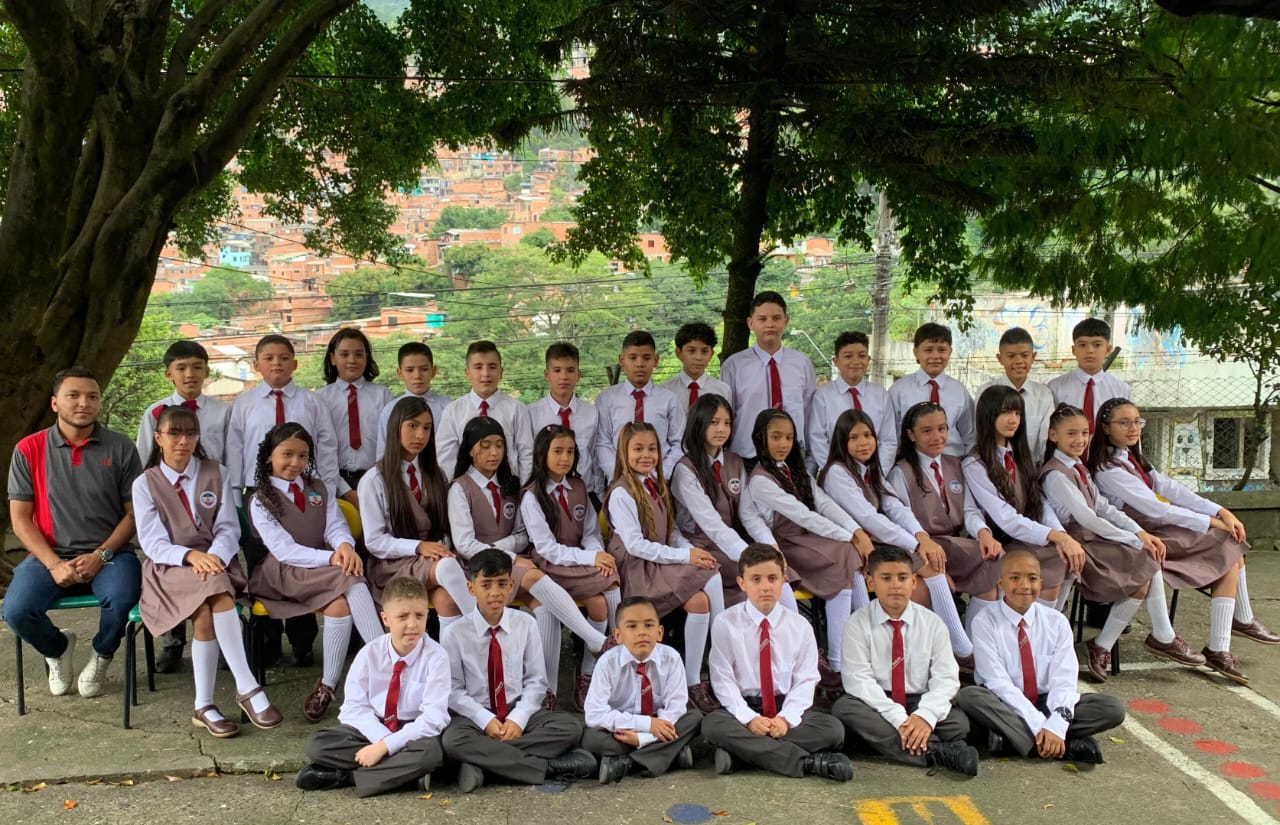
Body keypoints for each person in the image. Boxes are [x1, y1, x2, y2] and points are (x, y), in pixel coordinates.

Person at [1091, 398, 1278, 681]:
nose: (1133, 428)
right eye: (1124, 422)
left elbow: (1173, 490)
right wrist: (1212, 521)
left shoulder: (1133, 458)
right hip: (1135, 533)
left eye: (1137, 421)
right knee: (1226, 542)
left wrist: (1220, 510)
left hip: (1157, 528)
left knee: (1229, 544)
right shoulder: (1108, 470)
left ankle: (1224, 641)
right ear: (1106, 428)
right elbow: (1157, 508)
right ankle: (1228, 632)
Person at [134, 405, 282, 737]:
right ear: (158, 438)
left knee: (205, 611)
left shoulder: (216, 472)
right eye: (174, 433)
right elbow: (153, 543)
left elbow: (229, 527)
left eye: (190, 433)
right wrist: (191, 556)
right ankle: (247, 686)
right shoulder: (145, 483)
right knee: (215, 587)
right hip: (170, 567)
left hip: (216, 560)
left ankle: (204, 705)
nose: (182, 441)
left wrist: (213, 556)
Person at [449, 416, 609, 706]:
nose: (494, 452)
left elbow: (522, 534)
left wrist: (505, 550)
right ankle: (596, 641)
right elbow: (465, 544)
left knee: (546, 610)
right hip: (478, 567)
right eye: (485, 446)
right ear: (471, 450)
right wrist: (506, 555)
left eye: (499, 445)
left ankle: (548, 691)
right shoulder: (460, 488)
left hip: (514, 560)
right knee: (534, 575)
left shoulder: (510, 485)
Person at [5, 366, 143, 699]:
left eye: (92, 396)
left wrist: (101, 555)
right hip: (50, 555)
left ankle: (102, 653)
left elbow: (134, 513)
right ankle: (57, 648)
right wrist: (53, 564)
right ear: (55, 403)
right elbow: (20, 519)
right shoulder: (29, 449)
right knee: (16, 611)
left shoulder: (121, 447)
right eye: (74, 395)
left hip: (110, 554)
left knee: (122, 599)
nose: (84, 403)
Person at [1039, 404, 1199, 682]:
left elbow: (1103, 507)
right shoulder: (1056, 475)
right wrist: (1131, 539)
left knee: (1146, 561)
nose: (1080, 439)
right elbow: (1088, 518)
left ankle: (1103, 645)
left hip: (1094, 539)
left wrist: (1139, 533)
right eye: (1071, 433)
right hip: (1076, 544)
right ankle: (1150, 637)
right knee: (1145, 560)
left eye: (1084, 433)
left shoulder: (1078, 467)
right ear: (1053, 435)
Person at [822, 408, 987, 665]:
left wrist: (921, 536)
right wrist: (916, 544)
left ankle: (955, 647)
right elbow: (869, 518)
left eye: (868, 435)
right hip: (855, 548)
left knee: (932, 567)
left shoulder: (870, 470)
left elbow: (895, 507)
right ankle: (960, 648)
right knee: (925, 572)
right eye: (854, 437)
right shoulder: (837, 473)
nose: (863, 443)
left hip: (880, 540)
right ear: (841, 442)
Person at [246, 423, 386, 721]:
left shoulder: (318, 488)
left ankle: (327, 686)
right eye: (287, 454)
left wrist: (345, 545)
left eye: (302, 455)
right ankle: (385, 665)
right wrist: (333, 558)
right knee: (351, 576)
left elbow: (335, 525)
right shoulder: (261, 499)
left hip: (322, 569)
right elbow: (284, 550)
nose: (295, 462)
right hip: (283, 572)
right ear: (269, 455)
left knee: (340, 606)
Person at [441, 549, 598, 793]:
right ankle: (550, 768)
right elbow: (453, 690)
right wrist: (485, 720)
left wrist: (519, 718)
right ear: (471, 588)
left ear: (511, 585)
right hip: (475, 717)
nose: (495, 592)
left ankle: (482, 764)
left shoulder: (526, 624)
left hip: (516, 708)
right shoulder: (455, 633)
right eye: (486, 585)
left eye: (502, 584)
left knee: (570, 727)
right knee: (452, 741)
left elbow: (536, 681)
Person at [227, 334, 340, 666]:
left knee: (304, 564)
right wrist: (236, 495)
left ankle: (303, 642)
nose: (276, 363)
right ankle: (268, 642)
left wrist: (326, 488)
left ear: (295, 363)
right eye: (269, 358)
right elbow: (234, 449)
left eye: (283, 357)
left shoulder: (311, 402)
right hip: (259, 493)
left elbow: (326, 445)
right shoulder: (244, 404)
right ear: (256, 365)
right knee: (264, 567)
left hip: (303, 491)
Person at [956, 550, 1126, 764]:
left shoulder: (1056, 622)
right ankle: (1064, 745)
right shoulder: (985, 621)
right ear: (1001, 583)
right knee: (970, 696)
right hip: (1004, 703)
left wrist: (1057, 724)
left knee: (1112, 708)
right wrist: (1039, 725)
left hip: (1046, 700)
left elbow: (1064, 681)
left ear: (1040, 582)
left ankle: (1013, 741)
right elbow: (997, 682)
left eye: (1032, 578)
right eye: (1014, 578)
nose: (1025, 586)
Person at [701, 545, 852, 781]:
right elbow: (723, 680)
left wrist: (785, 719)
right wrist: (749, 719)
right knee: (712, 725)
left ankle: (742, 754)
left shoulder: (799, 626)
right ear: (742, 583)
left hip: (785, 708)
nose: (765, 587)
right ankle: (807, 763)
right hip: (744, 709)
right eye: (756, 579)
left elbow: (806, 680)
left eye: (772, 579)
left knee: (833, 729)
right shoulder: (725, 623)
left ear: (783, 580)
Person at [605, 421, 724, 713]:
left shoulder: (657, 485)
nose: (646, 455)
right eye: (638, 449)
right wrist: (684, 557)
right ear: (624, 453)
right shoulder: (622, 493)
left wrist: (691, 550)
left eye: (652, 449)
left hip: (659, 561)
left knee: (702, 596)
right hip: (638, 569)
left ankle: (694, 680)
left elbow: (670, 532)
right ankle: (723, 654)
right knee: (710, 575)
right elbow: (635, 546)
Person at [297, 577, 450, 797]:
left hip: (414, 731)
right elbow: (353, 708)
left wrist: (384, 748)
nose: (412, 624)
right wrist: (382, 740)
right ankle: (403, 774)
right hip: (374, 726)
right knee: (317, 744)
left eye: (419, 615)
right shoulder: (369, 653)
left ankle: (346, 777)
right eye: (402, 617)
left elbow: (434, 718)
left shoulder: (436, 657)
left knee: (431, 753)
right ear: (385, 619)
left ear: (428, 615)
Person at [832, 547, 979, 776]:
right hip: (877, 701)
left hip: (918, 699)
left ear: (914, 582)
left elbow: (946, 678)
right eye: (886, 578)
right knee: (845, 709)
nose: (895, 585)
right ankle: (936, 752)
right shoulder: (857, 623)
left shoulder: (933, 623)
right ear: (870, 582)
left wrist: (924, 716)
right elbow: (859, 681)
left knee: (958, 724)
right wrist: (899, 719)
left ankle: (892, 742)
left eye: (902, 578)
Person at [134, 340, 233, 674]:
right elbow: (146, 458)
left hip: (211, 498)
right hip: (169, 500)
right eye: (181, 368)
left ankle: (223, 643)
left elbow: (230, 455)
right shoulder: (154, 412)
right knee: (175, 566)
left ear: (207, 371)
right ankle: (173, 643)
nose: (190, 374)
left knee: (215, 572)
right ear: (169, 374)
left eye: (197, 367)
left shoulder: (222, 411)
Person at [748, 409, 867, 676]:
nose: (783, 444)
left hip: (809, 538)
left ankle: (853, 651)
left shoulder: (796, 470)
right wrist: (849, 536)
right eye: (776, 437)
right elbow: (802, 514)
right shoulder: (760, 480)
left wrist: (855, 530)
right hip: (788, 543)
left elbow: (824, 503)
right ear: (760, 438)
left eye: (789, 437)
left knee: (848, 558)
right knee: (847, 553)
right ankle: (841, 658)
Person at [520, 424, 622, 708]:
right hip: (552, 565)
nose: (565, 458)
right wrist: (590, 560)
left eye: (570, 452)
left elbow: (590, 532)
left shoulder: (578, 487)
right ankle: (615, 649)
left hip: (578, 561)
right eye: (557, 451)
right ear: (542, 454)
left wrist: (598, 555)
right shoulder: (532, 495)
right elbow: (547, 548)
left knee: (603, 596)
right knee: (610, 582)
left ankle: (591, 671)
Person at [358, 396, 474, 632]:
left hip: (431, 560)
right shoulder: (374, 480)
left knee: (447, 600)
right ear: (395, 427)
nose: (420, 435)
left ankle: (453, 657)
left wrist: (441, 548)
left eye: (427, 428)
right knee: (447, 568)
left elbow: (444, 526)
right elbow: (374, 541)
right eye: (412, 426)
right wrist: (418, 547)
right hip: (392, 565)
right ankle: (487, 631)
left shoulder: (435, 474)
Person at [964, 386, 1081, 609]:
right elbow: (1004, 517)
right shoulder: (975, 463)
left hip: (1026, 535)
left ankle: (1044, 627)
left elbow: (1039, 501)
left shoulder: (1020, 455)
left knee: (1061, 558)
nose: (1013, 420)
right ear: (988, 415)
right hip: (998, 539)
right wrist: (1055, 536)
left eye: (1017, 413)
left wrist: (1061, 535)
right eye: (1005, 412)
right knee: (1029, 568)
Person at [671, 394, 789, 609]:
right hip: (704, 546)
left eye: (726, 423)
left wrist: (770, 545)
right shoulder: (685, 470)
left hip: (733, 543)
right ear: (698, 424)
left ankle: (793, 632)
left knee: (781, 579)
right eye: (714, 422)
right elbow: (711, 524)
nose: (721, 429)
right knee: (759, 580)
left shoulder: (735, 461)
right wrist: (747, 556)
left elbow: (748, 513)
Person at [582, 596, 702, 784]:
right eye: (632, 626)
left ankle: (627, 763)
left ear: (659, 632)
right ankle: (669, 753)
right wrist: (646, 725)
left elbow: (676, 708)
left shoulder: (672, 658)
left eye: (648, 625)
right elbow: (594, 714)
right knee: (591, 738)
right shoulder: (607, 663)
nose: (641, 632)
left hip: (659, 723)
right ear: (618, 635)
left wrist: (641, 739)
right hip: (624, 725)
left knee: (694, 719)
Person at [722, 291, 817, 459]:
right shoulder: (734, 366)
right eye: (762, 319)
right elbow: (726, 414)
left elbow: (809, 412)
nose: (770, 324)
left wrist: (810, 459)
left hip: (792, 455)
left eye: (776, 318)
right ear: (750, 323)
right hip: (747, 456)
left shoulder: (802, 363)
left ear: (786, 321)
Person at [435, 340, 533, 482]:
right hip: (466, 488)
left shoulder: (517, 409)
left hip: (507, 488)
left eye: (492, 367)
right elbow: (445, 458)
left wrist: (522, 489)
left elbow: (526, 454)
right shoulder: (453, 411)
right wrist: (457, 488)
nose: (486, 373)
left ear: (501, 372)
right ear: (467, 373)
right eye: (478, 367)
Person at [594, 330, 686, 478]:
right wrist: (620, 475)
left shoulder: (669, 399)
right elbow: (602, 443)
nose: (640, 364)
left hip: (659, 480)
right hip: (620, 479)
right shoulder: (607, 399)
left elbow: (679, 443)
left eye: (646, 358)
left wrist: (661, 474)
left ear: (656, 360)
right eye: (633, 358)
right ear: (621, 360)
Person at [316, 328, 393, 502]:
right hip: (333, 483)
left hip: (378, 481)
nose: (352, 360)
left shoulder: (383, 395)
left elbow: (390, 443)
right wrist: (343, 490)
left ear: (367, 358)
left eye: (359, 354)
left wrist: (375, 480)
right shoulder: (320, 399)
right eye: (344, 354)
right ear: (333, 358)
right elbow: (319, 449)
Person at [806, 331, 896, 473]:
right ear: (836, 361)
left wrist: (875, 474)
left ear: (869, 360)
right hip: (837, 474)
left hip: (875, 474)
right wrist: (839, 474)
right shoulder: (823, 396)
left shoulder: (881, 395)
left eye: (862, 356)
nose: (856, 362)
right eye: (848, 356)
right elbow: (817, 440)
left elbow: (889, 440)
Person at [526, 342, 604, 498]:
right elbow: (528, 456)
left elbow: (595, 455)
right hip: (547, 493)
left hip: (585, 491)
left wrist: (599, 493)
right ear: (546, 375)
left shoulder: (591, 412)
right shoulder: (531, 413)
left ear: (578, 375)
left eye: (570, 370)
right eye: (557, 370)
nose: (564, 377)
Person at [887, 322, 976, 457]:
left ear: (950, 352)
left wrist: (966, 463)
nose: (935, 356)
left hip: (952, 460)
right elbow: (890, 434)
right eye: (928, 350)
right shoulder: (899, 390)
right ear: (916, 352)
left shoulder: (959, 391)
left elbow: (969, 435)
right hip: (911, 460)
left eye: (942, 350)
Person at [976, 327, 1054, 463]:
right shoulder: (986, 392)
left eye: (1024, 355)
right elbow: (981, 433)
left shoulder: (1043, 394)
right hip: (994, 465)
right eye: (1011, 356)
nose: (1018, 361)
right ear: (1000, 358)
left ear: (1033, 357)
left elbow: (1045, 440)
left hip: (1032, 467)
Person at [1046, 317, 1131, 433]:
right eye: (1082, 345)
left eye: (1097, 345)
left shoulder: (1121, 390)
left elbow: (1129, 428)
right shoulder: (1056, 388)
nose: (1089, 350)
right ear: (1073, 350)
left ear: (1108, 349)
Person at [376, 341, 451, 459]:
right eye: (410, 370)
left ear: (433, 371)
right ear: (400, 373)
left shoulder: (448, 407)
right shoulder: (390, 410)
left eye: (424, 369)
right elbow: (383, 453)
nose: (417, 376)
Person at [660, 322, 730, 413]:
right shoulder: (665, 391)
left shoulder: (723, 390)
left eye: (704, 351)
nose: (698, 357)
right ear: (678, 353)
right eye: (691, 351)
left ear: (711, 354)